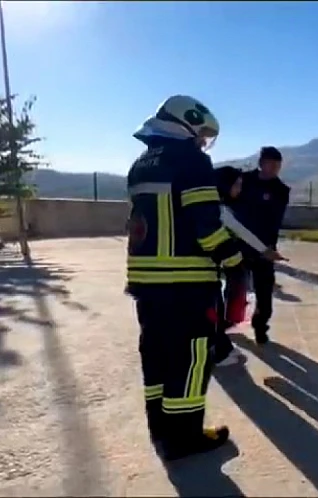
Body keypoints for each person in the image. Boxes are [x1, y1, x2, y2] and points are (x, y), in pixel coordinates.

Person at [125, 94, 245, 461]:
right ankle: (186, 438)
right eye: (202, 132)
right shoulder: (191, 160)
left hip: (147, 283)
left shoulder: (141, 164)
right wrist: (236, 262)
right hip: (186, 282)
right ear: (186, 123)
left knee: (157, 357)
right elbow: (205, 225)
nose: (203, 140)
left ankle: (161, 431)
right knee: (192, 360)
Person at [212, 166, 285, 366]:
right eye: (236, 185)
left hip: (208, 268)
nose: (239, 190)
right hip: (200, 268)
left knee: (214, 304)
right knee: (211, 307)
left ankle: (220, 346)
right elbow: (239, 232)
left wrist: (265, 251)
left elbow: (240, 231)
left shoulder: (218, 206)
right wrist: (264, 251)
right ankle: (219, 352)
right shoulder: (214, 209)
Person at [230, 146, 291, 345]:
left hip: (264, 249)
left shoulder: (281, 191)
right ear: (261, 163)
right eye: (271, 164)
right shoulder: (243, 181)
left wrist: (270, 248)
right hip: (239, 245)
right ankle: (226, 323)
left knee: (264, 294)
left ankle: (260, 327)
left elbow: (275, 222)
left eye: (278, 166)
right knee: (235, 288)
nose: (274, 169)